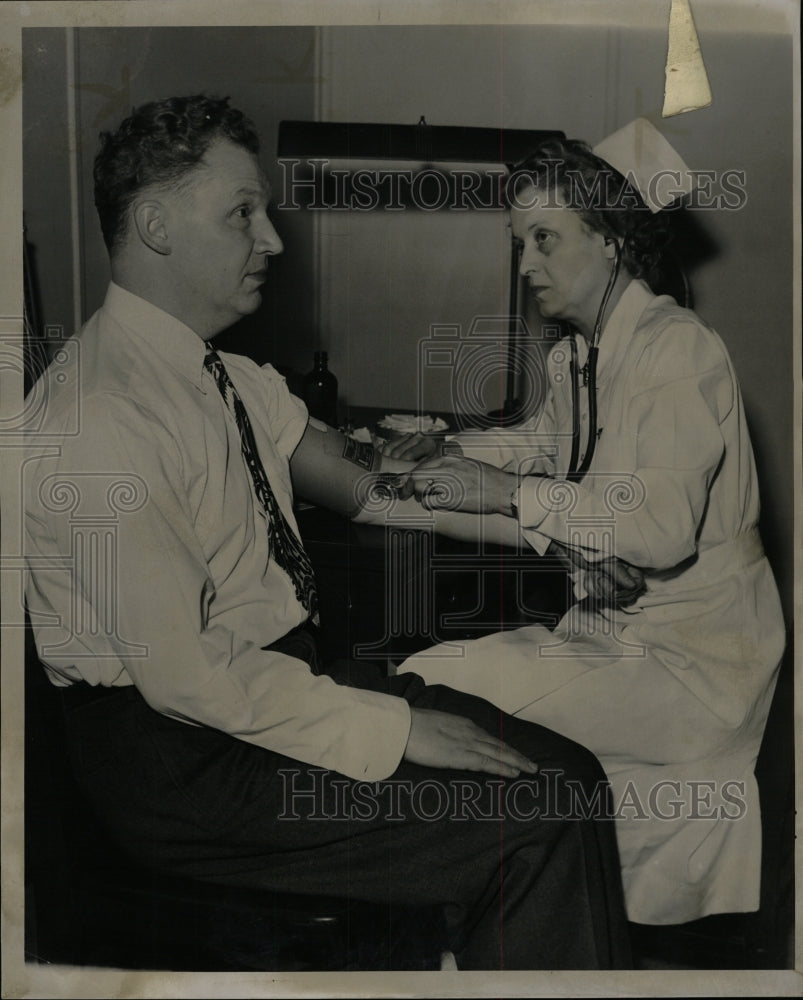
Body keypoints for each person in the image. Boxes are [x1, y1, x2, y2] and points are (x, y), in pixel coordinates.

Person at [23, 95, 633, 971]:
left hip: (264, 692)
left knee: (567, 774)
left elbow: (368, 485)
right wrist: (392, 730)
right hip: (184, 761)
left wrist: (552, 531)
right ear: (154, 225)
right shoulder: (98, 420)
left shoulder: (224, 376)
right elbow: (185, 681)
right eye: (242, 213)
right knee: (536, 820)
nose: (271, 240)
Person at [391, 132, 786, 926]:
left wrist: (504, 492)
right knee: (437, 682)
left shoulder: (677, 351)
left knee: (437, 691)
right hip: (617, 633)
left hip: (694, 668)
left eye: (544, 239)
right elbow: (537, 446)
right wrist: (441, 443)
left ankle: (460, 909)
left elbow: (657, 526)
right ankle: (515, 906)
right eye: (519, 242)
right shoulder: (585, 357)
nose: (525, 263)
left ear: (608, 241)